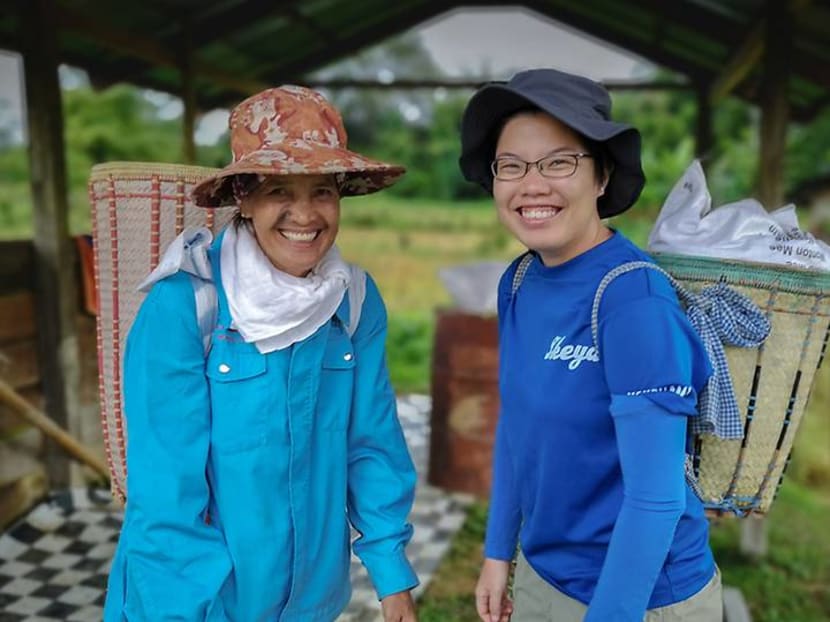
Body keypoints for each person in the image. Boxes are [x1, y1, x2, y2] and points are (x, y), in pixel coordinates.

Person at [103, 86, 419, 622]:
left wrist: (390, 573)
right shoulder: (187, 305)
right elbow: (166, 496)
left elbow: (371, 444)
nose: (305, 214)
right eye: (279, 191)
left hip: (310, 600)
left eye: (322, 191)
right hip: (207, 604)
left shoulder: (354, 302)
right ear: (243, 198)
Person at [459, 69, 722, 621]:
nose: (532, 185)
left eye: (559, 162)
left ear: (602, 176)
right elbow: (517, 425)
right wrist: (497, 551)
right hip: (547, 574)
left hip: (642, 596)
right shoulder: (520, 282)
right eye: (512, 166)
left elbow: (655, 502)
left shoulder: (633, 301)